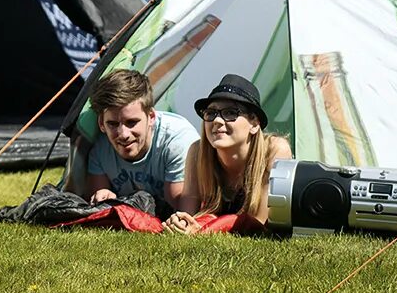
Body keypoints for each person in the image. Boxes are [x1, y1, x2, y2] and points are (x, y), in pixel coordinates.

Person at [164, 74, 293, 234]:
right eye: (211, 113)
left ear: (254, 123)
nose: (217, 121)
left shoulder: (274, 150)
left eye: (231, 113)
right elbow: (187, 215)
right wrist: (180, 224)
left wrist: (204, 231)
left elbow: (261, 224)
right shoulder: (197, 151)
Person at [80, 69, 198, 216]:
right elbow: (95, 212)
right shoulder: (99, 146)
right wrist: (103, 195)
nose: (123, 134)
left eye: (132, 122)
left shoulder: (178, 141)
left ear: (151, 117)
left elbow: (183, 214)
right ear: (101, 124)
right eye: (113, 124)